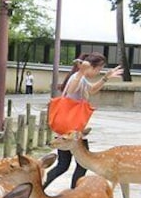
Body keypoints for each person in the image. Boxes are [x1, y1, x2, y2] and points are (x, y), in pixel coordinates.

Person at [44, 52, 123, 189]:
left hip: (69, 129)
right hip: (72, 132)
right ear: (91, 67)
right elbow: (71, 90)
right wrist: (81, 71)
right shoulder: (78, 77)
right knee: (82, 164)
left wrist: (105, 78)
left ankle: (41, 188)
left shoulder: (82, 78)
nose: (98, 72)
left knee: (64, 165)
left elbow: (92, 90)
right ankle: (74, 193)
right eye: (98, 69)